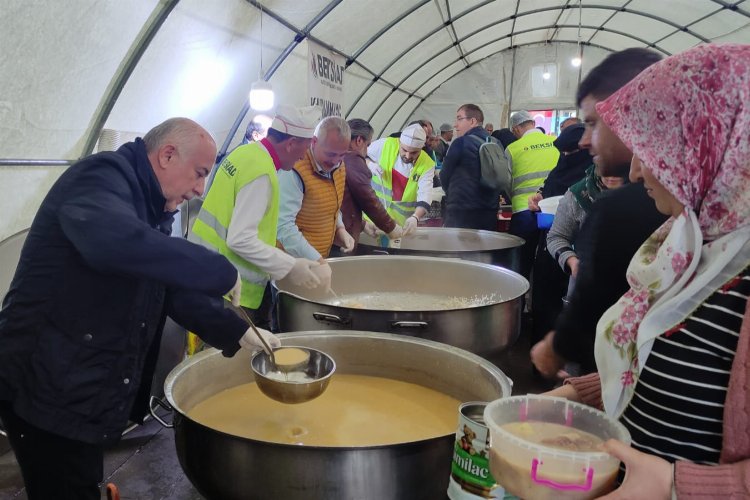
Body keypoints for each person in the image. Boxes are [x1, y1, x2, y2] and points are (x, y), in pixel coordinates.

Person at [0, 118, 282, 499]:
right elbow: (115, 243)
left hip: (77, 383)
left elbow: (167, 289)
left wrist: (237, 331)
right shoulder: (99, 177)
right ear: (167, 155)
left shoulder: (150, 205)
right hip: (44, 385)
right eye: (199, 174)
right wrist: (215, 268)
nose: (200, 190)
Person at [549, 43, 750, 499]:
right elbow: (655, 368)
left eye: (654, 152)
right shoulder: (686, 247)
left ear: (711, 144)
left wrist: (677, 484)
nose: (637, 172)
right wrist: (576, 398)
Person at [530, 48, 666, 377]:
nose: (584, 141)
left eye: (593, 123)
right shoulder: (690, 208)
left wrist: (555, 349)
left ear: (634, 117)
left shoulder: (622, 209)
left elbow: (589, 315)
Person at [190, 105, 324, 330]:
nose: (304, 156)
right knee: (231, 359)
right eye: (304, 148)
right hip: (231, 291)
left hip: (207, 273)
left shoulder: (245, 153)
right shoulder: (262, 171)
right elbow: (240, 239)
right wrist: (291, 266)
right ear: (290, 144)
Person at [277, 116, 355, 289]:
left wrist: (340, 229)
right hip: (292, 266)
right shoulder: (293, 170)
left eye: (342, 155)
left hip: (318, 261)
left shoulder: (338, 166)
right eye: (331, 154)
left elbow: (332, 204)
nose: (335, 161)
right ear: (314, 141)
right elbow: (283, 226)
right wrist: (317, 260)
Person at [506, 110, 560, 278]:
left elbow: (506, 181)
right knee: (550, 258)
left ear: (515, 129)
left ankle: (519, 300)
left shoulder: (513, 148)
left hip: (524, 211)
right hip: (553, 211)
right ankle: (542, 300)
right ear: (533, 123)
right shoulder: (556, 141)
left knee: (521, 262)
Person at [339, 119, 402, 250]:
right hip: (343, 238)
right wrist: (391, 227)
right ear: (359, 141)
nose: (367, 151)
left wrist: (362, 225)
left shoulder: (338, 157)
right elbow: (367, 197)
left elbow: (344, 200)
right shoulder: (353, 160)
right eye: (368, 145)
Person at [439, 103, 502, 231]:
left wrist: (451, 196)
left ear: (473, 121)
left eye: (459, 118)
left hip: (461, 213)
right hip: (489, 211)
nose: (455, 124)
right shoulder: (496, 143)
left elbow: (444, 175)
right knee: (485, 249)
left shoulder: (460, 143)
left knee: (459, 250)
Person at [368, 123, 435, 236]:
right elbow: (359, 154)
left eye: (414, 152)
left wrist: (415, 217)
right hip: (372, 219)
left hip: (400, 226)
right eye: (404, 150)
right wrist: (369, 164)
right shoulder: (385, 145)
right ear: (399, 142)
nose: (408, 156)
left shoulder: (427, 164)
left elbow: (425, 194)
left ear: (421, 148)